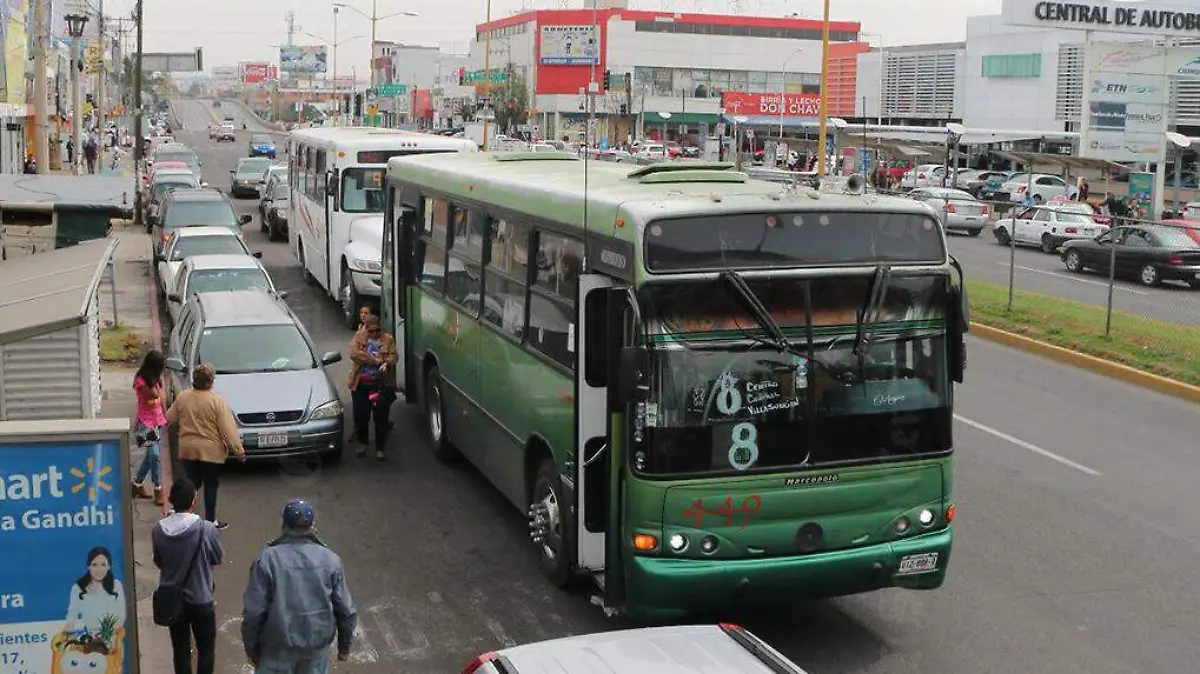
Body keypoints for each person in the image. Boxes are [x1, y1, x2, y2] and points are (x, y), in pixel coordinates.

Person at [241, 499, 357, 674]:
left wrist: (252, 650)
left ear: (284, 524)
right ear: (312, 524)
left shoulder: (267, 559)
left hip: (276, 651)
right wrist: (344, 648)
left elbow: (253, 612)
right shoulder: (331, 560)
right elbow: (346, 610)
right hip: (315, 653)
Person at [153, 479, 223, 674]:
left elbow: (159, 561)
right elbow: (218, 558)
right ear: (194, 500)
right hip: (201, 598)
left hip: (172, 600)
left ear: (171, 500)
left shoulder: (158, 530)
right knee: (206, 649)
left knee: (180, 650)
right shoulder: (207, 529)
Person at [166, 363, 247, 530]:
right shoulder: (217, 401)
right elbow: (228, 429)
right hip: (211, 451)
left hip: (188, 449)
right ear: (211, 381)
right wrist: (238, 450)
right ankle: (210, 521)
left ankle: (180, 512)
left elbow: (169, 418)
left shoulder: (183, 397)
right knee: (211, 484)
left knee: (192, 483)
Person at [346, 315, 398, 461]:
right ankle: (363, 443)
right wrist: (374, 361)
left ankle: (380, 449)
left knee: (381, 418)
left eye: (377, 331)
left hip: (380, 386)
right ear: (366, 330)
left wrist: (386, 363)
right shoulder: (359, 338)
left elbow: (394, 356)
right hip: (361, 384)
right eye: (371, 331)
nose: (375, 334)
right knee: (361, 416)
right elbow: (354, 354)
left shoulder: (387, 339)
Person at [133, 350, 169, 506]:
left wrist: (165, 414)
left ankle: (137, 483)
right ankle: (158, 489)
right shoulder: (141, 381)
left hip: (157, 420)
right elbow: (155, 394)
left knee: (150, 457)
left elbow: (161, 400)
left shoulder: (155, 379)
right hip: (145, 422)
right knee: (154, 455)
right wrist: (157, 383)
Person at [63, 547, 126, 634]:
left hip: (112, 635)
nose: (99, 569)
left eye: (103, 564)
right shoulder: (78, 588)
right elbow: (72, 614)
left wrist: (108, 634)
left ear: (109, 566)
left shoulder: (116, 585)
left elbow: (121, 615)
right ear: (88, 566)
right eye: (94, 565)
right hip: (88, 636)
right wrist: (67, 631)